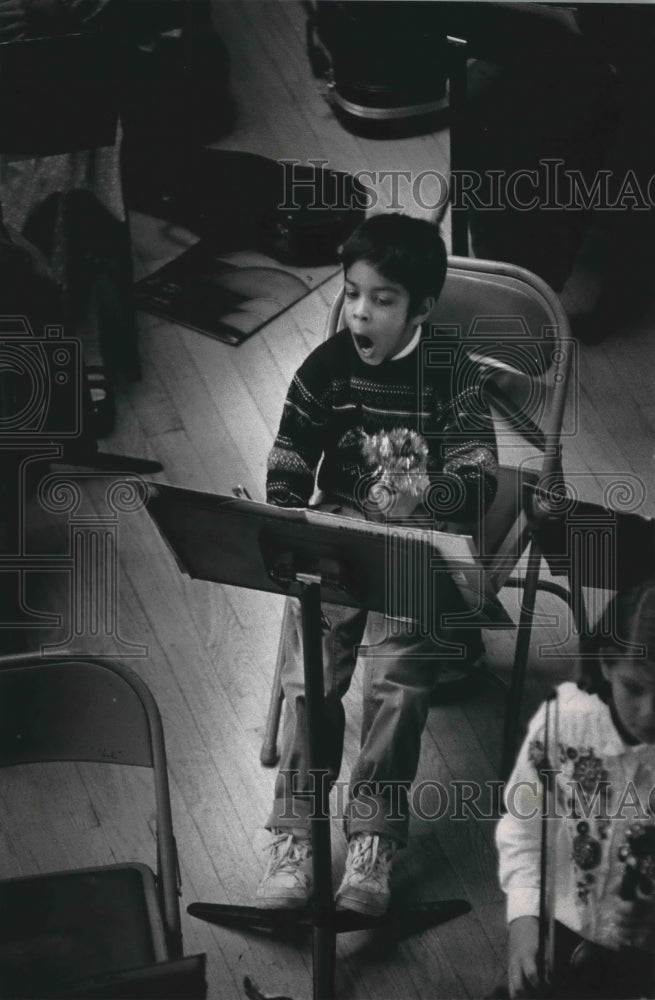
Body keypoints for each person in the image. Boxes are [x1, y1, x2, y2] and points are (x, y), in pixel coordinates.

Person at [256, 212, 498, 916]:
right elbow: (291, 446)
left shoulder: (448, 369)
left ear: (421, 307)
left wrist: (434, 491)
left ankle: (373, 841)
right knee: (311, 677)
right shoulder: (326, 366)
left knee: (396, 683)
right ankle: (296, 835)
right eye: (352, 292)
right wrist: (281, 504)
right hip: (334, 531)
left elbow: (478, 467)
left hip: (415, 541)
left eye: (382, 299)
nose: (359, 310)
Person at [496, 578, 655, 999]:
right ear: (607, 664)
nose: (650, 712)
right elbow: (523, 831)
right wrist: (524, 923)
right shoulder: (565, 721)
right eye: (635, 687)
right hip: (562, 932)